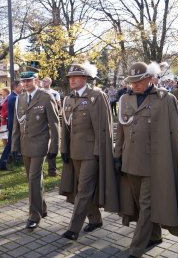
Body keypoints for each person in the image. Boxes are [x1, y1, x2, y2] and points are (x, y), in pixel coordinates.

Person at [114, 62, 178, 258]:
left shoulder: (165, 99)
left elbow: (173, 134)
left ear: (151, 79)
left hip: (154, 163)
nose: (135, 85)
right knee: (139, 205)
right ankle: (155, 236)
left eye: (139, 81)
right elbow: (120, 131)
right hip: (130, 162)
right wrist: (117, 156)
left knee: (146, 204)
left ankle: (136, 248)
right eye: (132, 82)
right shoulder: (125, 99)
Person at [59, 62, 119, 240]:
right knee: (80, 189)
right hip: (74, 152)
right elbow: (66, 127)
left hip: (92, 153)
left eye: (76, 77)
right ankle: (95, 219)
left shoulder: (96, 96)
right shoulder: (68, 99)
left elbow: (102, 127)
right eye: (70, 77)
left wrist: (100, 152)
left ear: (85, 78)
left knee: (84, 190)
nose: (72, 80)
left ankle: (73, 229)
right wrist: (64, 149)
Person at [11, 70, 59, 230]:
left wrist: (54, 147)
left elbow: (54, 124)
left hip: (40, 144)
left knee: (33, 179)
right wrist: (14, 146)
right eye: (23, 82)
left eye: (29, 81)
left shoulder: (46, 97)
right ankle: (42, 207)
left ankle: (34, 215)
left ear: (36, 80)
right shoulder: (21, 98)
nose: (25, 84)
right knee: (34, 180)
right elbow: (17, 124)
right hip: (25, 145)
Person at [0, 81, 23, 171]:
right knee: (10, 144)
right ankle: (3, 163)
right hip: (13, 125)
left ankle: (11, 160)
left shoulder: (13, 96)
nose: (22, 87)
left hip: (12, 124)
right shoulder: (14, 98)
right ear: (15, 87)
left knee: (12, 143)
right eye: (21, 86)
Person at [41, 76, 61, 177]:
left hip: (51, 122)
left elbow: (58, 107)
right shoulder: (39, 93)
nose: (44, 83)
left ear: (50, 82)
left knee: (52, 146)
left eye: (46, 81)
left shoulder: (55, 93)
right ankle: (39, 170)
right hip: (41, 123)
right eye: (43, 81)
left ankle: (52, 169)